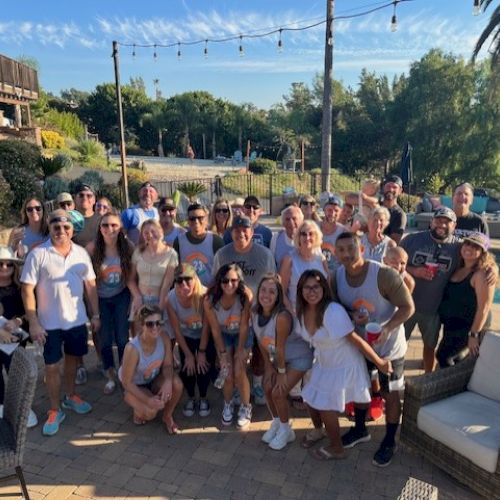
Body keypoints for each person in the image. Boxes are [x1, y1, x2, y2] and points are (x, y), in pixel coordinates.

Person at [332, 232, 414, 467]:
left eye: (351, 248)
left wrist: (387, 328)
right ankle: (360, 429)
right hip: (361, 346)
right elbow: (335, 307)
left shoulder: (383, 274)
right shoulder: (336, 276)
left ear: (362, 249)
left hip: (389, 347)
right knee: (360, 386)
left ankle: (389, 439)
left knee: (391, 392)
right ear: (336, 254)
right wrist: (349, 315)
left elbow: (408, 307)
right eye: (342, 250)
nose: (347, 254)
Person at [295, 270, 392, 461]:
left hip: (345, 363)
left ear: (324, 288)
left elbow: (356, 341)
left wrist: (379, 363)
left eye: (316, 286)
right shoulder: (302, 311)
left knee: (326, 407)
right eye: (307, 287)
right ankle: (320, 431)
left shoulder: (333, 311)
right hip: (324, 362)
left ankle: (337, 448)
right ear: (300, 290)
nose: (312, 291)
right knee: (308, 397)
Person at [21, 209, 99, 436]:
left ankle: (71, 396)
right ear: (50, 226)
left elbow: (91, 287)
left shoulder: (81, 253)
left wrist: (95, 315)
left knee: (73, 360)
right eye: (56, 226)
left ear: (72, 229)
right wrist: (33, 322)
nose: (61, 231)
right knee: (52, 366)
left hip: (76, 320)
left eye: (66, 227)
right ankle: (55, 409)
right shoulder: (38, 254)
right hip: (49, 324)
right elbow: (27, 289)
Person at [213, 215, 275, 405]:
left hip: (259, 307)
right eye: (237, 230)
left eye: (245, 230)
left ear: (251, 232)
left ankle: (257, 382)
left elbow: (273, 281)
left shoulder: (264, 254)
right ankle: (239, 385)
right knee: (235, 353)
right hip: (233, 311)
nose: (241, 233)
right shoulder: (222, 254)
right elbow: (216, 282)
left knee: (259, 348)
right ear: (231, 233)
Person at [252, 273, 313, 450]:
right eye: (263, 290)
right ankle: (278, 422)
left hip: (299, 358)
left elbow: (280, 348)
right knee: (267, 386)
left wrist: (279, 373)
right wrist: (268, 368)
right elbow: (261, 342)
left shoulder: (282, 317)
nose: (266, 295)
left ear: (278, 296)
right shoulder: (255, 313)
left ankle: (287, 431)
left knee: (278, 391)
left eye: (272, 292)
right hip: (280, 359)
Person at [401, 207, 462, 372]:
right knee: (398, 345)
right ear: (431, 222)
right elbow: (392, 266)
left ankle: (428, 379)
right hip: (406, 305)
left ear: (454, 226)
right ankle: (394, 379)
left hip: (433, 310)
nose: (441, 225)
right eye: (438, 220)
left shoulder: (458, 248)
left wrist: (490, 269)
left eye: (447, 222)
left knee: (429, 347)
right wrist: (415, 271)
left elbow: (477, 260)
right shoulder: (411, 240)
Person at [87, 211, 134, 395]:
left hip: (121, 295)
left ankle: (124, 373)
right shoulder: (92, 248)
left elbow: (133, 274)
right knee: (105, 340)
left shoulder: (127, 246)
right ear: (100, 228)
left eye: (114, 225)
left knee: (123, 339)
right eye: (105, 225)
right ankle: (110, 376)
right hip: (101, 298)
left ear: (120, 227)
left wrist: (133, 299)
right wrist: (93, 311)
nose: (109, 229)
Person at [119, 305, 183, 432]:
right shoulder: (132, 349)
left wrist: (168, 382)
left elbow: (168, 365)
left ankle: (167, 416)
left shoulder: (164, 337)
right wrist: (148, 400)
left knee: (177, 384)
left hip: (152, 379)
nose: (155, 327)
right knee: (150, 412)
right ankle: (137, 411)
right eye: (150, 324)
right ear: (142, 325)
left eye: (159, 323)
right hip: (133, 385)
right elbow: (127, 382)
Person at [204, 264, 253, 428]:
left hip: (242, 333)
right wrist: (223, 354)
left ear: (240, 281)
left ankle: (246, 407)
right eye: (225, 281)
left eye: (234, 280)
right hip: (223, 334)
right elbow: (215, 329)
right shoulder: (210, 299)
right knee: (227, 371)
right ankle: (228, 403)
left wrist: (240, 351)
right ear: (219, 281)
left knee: (239, 370)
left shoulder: (245, 296)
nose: (229, 284)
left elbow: (245, 325)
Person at [437, 232, 496, 367]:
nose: (469, 247)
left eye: (476, 246)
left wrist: (473, 335)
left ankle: (451, 387)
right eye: (467, 243)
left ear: (482, 252)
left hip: (468, 327)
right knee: (451, 358)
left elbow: (484, 308)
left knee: (446, 357)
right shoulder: (460, 267)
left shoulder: (482, 274)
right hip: (453, 325)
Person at [165, 263, 214, 418]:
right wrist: (187, 354)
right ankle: (191, 397)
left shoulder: (205, 295)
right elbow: (176, 330)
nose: (184, 285)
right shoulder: (171, 299)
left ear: (195, 279)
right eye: (179, 281)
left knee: (203, 365)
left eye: (188, 280)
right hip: (186, 336)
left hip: (204, 336)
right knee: (188, 367)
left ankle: (204, 397)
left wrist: (201, 352)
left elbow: (207, 327)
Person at [0, 246, 37, 428]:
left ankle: (21, 409)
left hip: (15, 339)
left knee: (16, 372)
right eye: (1, 265)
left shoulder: (19, 288)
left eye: (9, 265)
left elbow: (28, 312)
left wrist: (17, 322)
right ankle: (0, 407)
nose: (5, 268)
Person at [128, 219, 178, 320]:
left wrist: (159, 308)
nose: (150, 235)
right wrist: (137, 297)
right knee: (140, 335)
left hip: (160, 301)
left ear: (161, 232)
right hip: (140, 301)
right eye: (146, 233)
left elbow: (167, 284)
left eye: (153, 231)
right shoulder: (138, 252)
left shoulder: (171, 254)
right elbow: (130, 279)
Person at [280, 220, 328, 313]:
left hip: (320, 311)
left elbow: (328, 286)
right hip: (297, 311)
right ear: (298, 237)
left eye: (311, 234)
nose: (307, 237)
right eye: (303, 234)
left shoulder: (321, 259)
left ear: (317, 237)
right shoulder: (289, 260)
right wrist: (291, 310)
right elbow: (281, 291)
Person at [174, 203, 224, 287]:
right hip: (186, 291)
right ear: (188, 221)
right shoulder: (179, 241)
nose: (196, 221)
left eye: (200, 218)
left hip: (210, 291)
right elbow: (175, 269)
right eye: (192, 218)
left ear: (207, 219)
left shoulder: (216, 241)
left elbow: (223, 271)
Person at [270, 204, 304, 270]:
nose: (291, 222)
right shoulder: (276, 239)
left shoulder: (308, 238)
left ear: (301, 221)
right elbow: (271, 265)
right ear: (283, 223)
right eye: (287, 219)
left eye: (294, 218)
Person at [319, 195, 345, 273]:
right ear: (324, 210)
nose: (332, 213)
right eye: (329, 210)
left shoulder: (343, 231)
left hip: (335, 273)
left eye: (336, 211)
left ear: (340, 212)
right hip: (316, 270)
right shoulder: (315, 228)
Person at [72, 183, 100, 247]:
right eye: (81, 195)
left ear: (94, 200)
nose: (85, 198)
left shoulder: (102, 221)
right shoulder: (68, 220)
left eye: (89, 196)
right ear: (75, 199)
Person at [381, 175, 406, 244]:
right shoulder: (375, 205)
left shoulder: (399, 214)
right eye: (388, 186)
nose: (391, 189)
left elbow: (394, 242)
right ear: (383, 188)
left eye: (394, 187)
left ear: (400, 191)